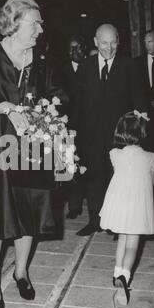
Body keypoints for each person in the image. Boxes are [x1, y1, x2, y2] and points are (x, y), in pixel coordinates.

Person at [0, 0, 69, 308]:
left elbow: (59, 95)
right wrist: (6, 107)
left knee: (30, 209)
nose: (40, 28)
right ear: (16, 23)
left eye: (40, 22)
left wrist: (40, 111)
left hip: (32, 145)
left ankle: (21, 271)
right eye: (35, 22)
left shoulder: (43, 60)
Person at [76, 23, 147, 236]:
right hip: (91, 134)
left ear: (119, 41)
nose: (109, 47)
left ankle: (117, 224)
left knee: (119, 179)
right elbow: (79, 103)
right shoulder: (85, 66)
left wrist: (138, 132)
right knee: (94, 177)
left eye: (113, 42)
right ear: (96, 42)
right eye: (104, 43)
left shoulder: (129, 65)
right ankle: (94, 221)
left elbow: (140, 99)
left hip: (121, 135)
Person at [99, 110, 154, 304]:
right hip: (137, 207)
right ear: (143, 133)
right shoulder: (153, 158)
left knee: (122, 240)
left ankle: (116, 271)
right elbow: (152, 182)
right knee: (133, 244)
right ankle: (125, 275)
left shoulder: (114, 154)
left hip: (120, 204)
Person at [135, 30, 154, 234]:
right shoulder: (137, 63)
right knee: (147, 168)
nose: (147, 45)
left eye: (151, 41)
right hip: (146, 125)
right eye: (145, 41)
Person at [62, 35, 87, 219]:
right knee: (70, 164)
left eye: (77, 47)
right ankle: (74, 206)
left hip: (88, 125)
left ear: (84, 48)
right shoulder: (61, 70)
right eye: (71, 48)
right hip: (69, 125)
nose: (74, 51)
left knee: (87, 163)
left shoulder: (91, 66)